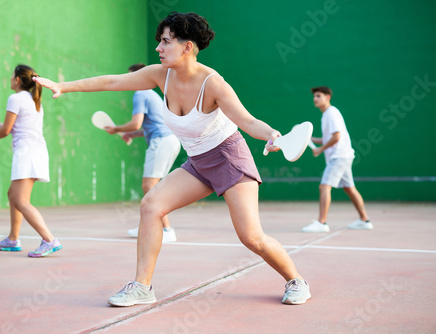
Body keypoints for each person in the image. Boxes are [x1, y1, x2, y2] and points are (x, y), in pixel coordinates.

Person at [34, 12, 310, 305]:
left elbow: (248, 120)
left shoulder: (213, 84)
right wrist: (64, 86)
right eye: (159, 42)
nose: (158, 48)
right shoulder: (159, 74)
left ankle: (296, 280)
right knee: (151, 205)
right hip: (197, 162)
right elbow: (115, 81)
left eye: (165, 42)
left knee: (251, 237)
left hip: (229, 158)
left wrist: (273, 136)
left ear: (187, 47)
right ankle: (142, 287)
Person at [0, 64, 63, 257]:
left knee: (21, 201)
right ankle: (13, 239)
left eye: (11, 76)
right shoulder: (34, 100)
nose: (9, 78)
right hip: (37, 152)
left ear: (17, 80)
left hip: (26, 153)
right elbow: (14, 126)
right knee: (13, 194)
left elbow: (7, 131)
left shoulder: (15, 98)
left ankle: (49, 240)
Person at [104, 63, 181, 243]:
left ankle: (166, 229)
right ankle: (151, 226)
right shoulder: (153, 95)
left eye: (131, 77)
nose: (128, 81)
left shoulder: (140, 93)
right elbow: (148, 126)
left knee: (149, 185)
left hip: (161, 141)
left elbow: (136, 123)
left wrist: (116, 129)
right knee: (155, 186)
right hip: (170, 140)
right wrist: (131, 134)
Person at [302, 86, 373, 233]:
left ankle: (322, 223)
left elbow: (336, 137)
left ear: (327, 97)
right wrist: (310, 139)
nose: (315, 99)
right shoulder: (327, 115)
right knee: (349, 188)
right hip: (344, 156)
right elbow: (328, 138)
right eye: (314, 96)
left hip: (339, 157)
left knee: (324, 186)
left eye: (318, 96)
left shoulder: (331, 113)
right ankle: (364, 220)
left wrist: (320, 150)